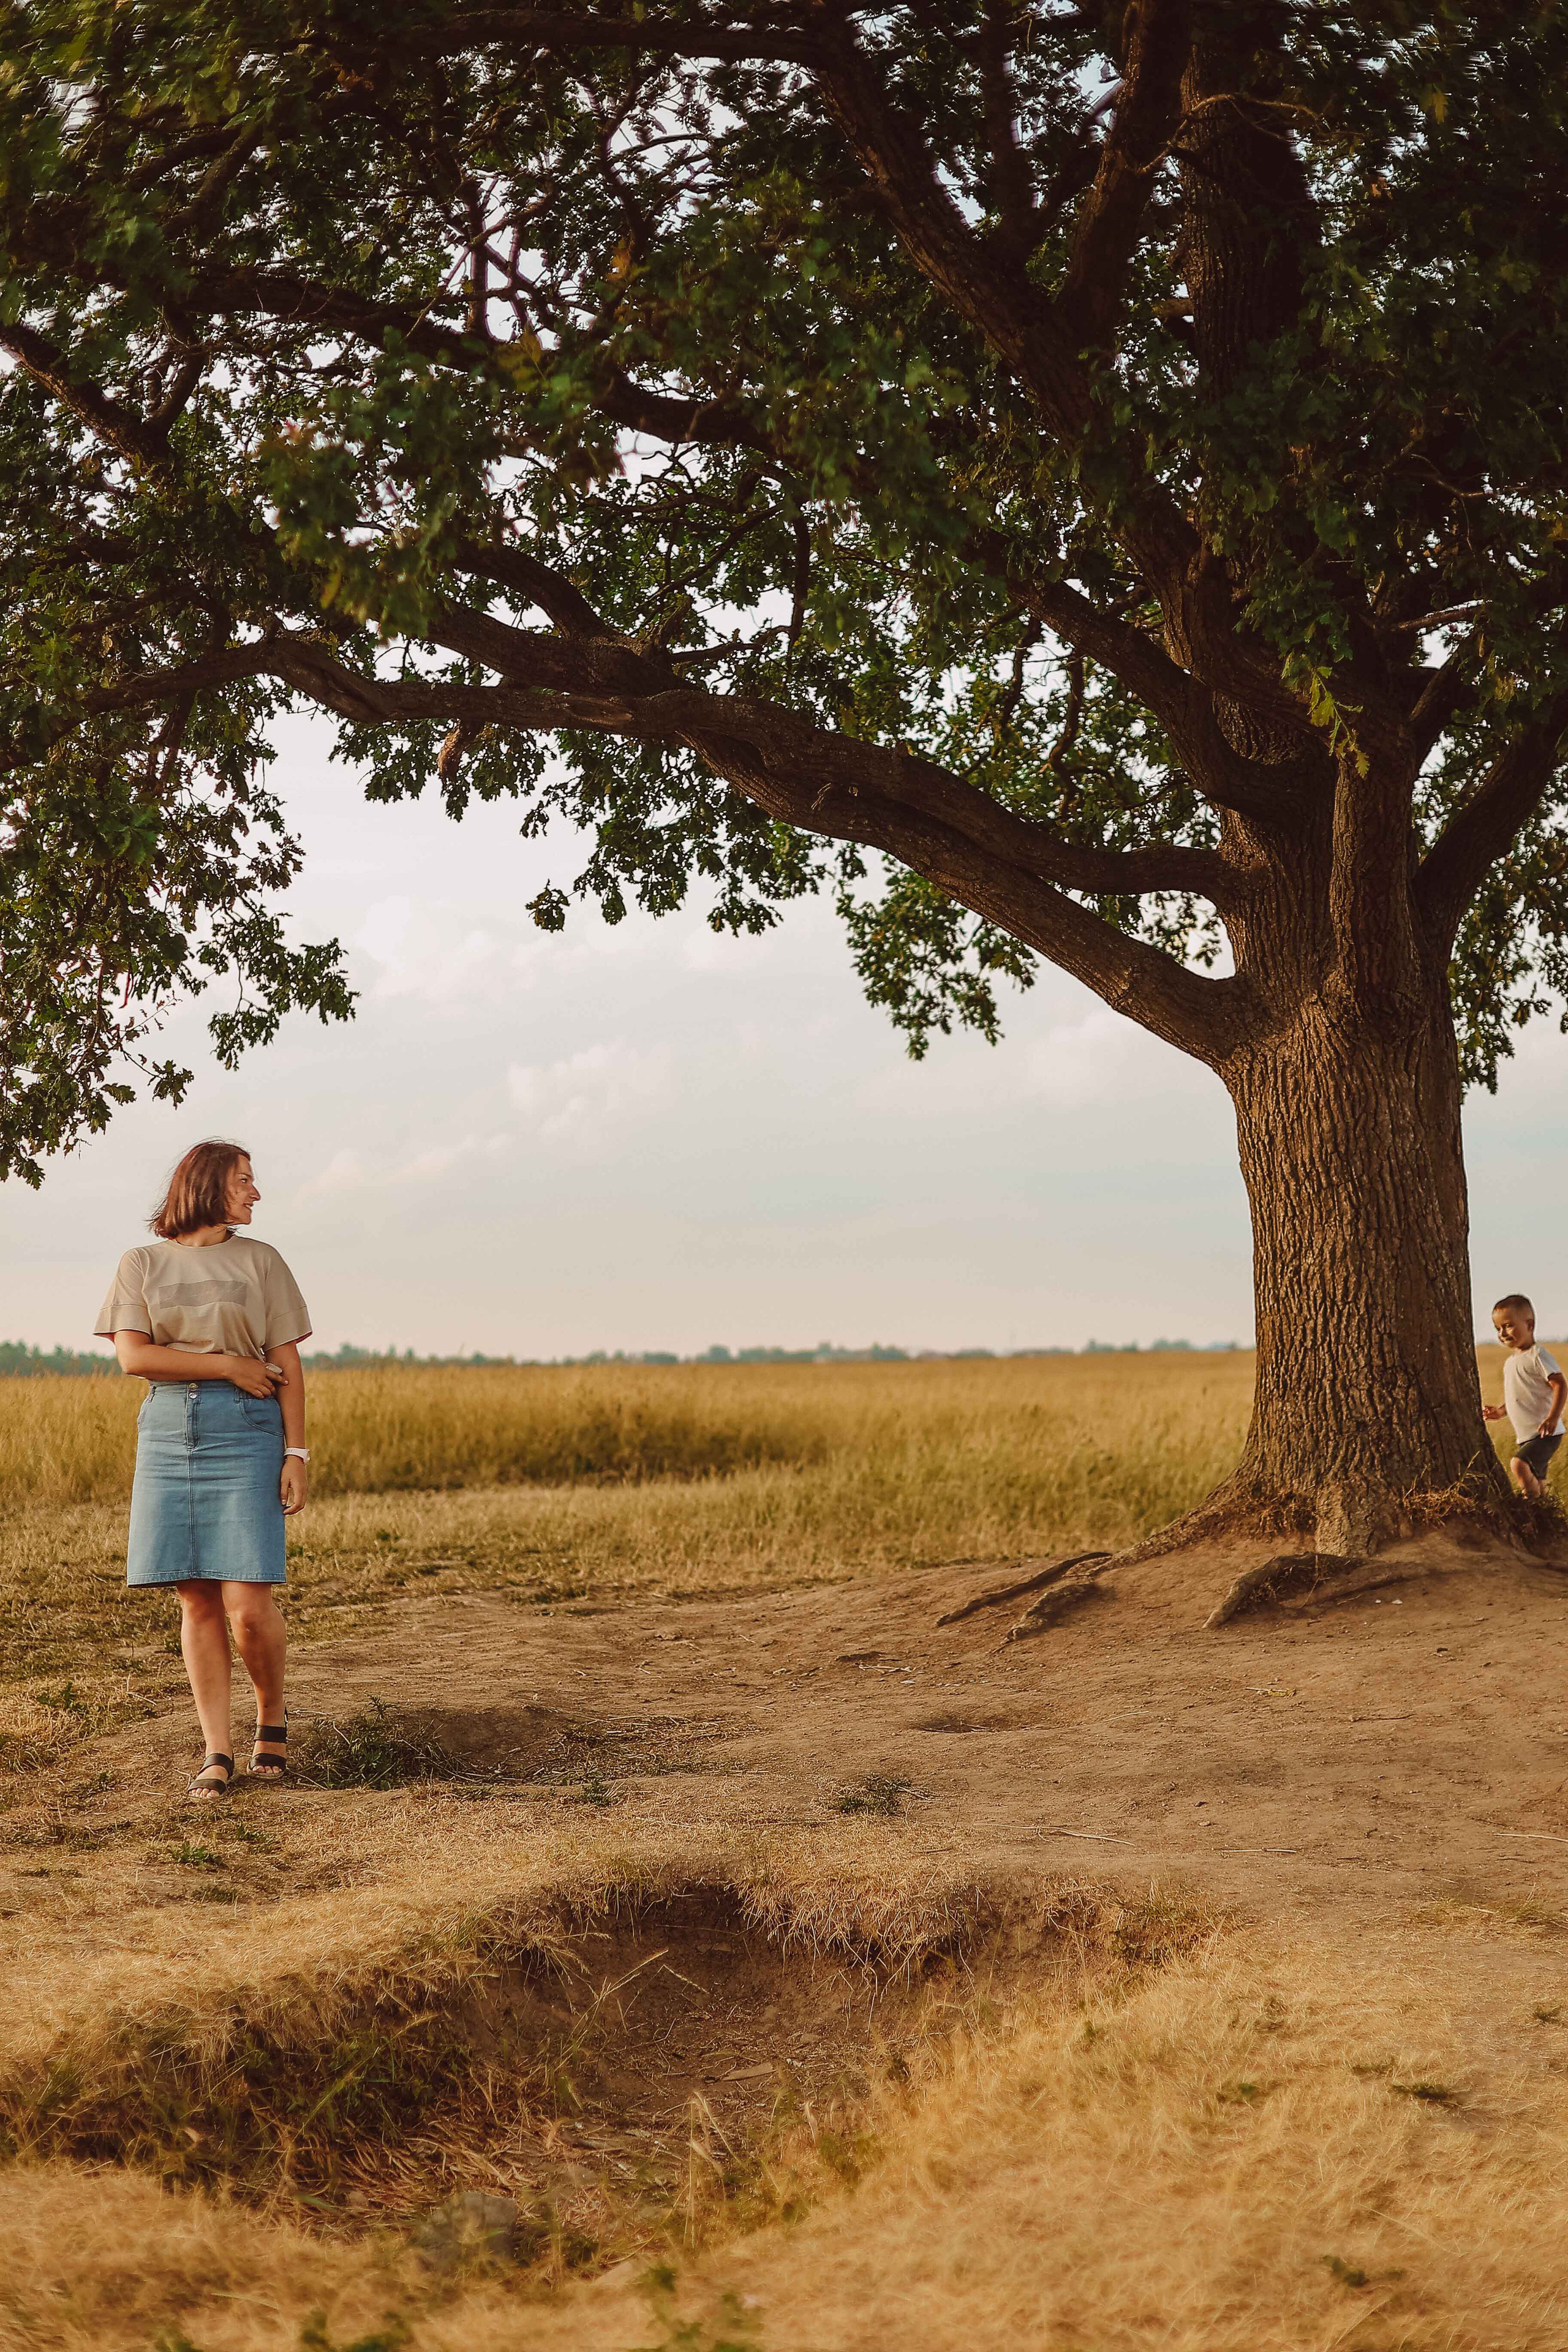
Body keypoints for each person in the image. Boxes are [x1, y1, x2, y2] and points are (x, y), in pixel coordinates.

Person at [95, 1140, 312, 1800]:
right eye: (245, 1180)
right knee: (194, 1596)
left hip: (248, 1431)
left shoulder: (262, 1260)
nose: (256, 1192)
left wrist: (296, 1452)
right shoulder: (141, 1263)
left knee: (248, 1603)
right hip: (167, 1430)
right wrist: (225, 1364)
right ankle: (216, 1750)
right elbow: (134, 1359)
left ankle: (270, 1718)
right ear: (209, 1184)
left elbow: (289, 1367)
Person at [1483, 1292, 1567, 1501]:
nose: (1503, 1333)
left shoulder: (1537, 1355)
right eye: (1498, 1328)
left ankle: (1530, 1506)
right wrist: (1501, 1412)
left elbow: (1560, 1385)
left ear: (1529, 1325)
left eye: (1508, 1325)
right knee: (1538, 1479)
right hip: (1528, 1434)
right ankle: (1543, 1511)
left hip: (1546, 1433)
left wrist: (1552, 1418)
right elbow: (1518, 1396)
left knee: (1518, 1465)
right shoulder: (1511, 1362)